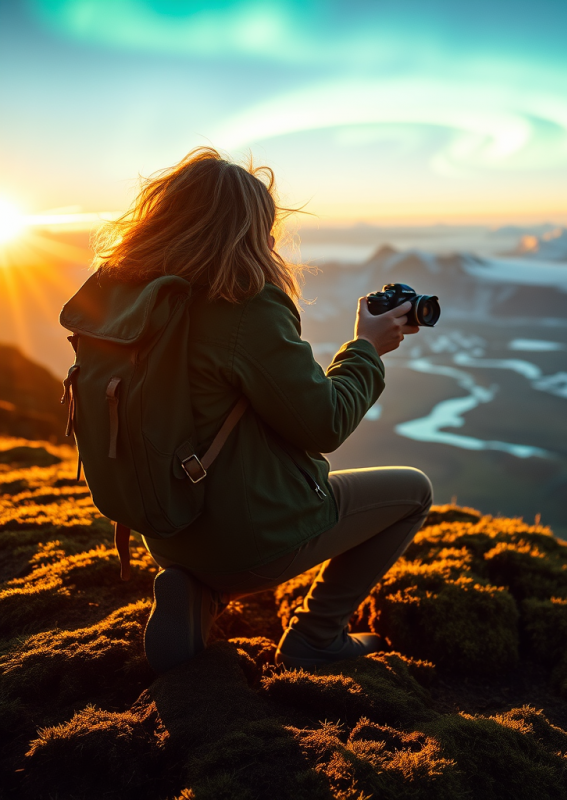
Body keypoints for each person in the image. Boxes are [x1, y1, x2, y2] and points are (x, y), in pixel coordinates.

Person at [91, 147, 433, 672]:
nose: (271, 241)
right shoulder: (244, 304)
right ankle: (317, 635)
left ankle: (197, 592)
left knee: (219, 519)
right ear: (244, 233)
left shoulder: (133, 301)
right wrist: (366, 348)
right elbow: (324, 422)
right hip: (251, 543)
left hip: (164, 527)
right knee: (413, 491)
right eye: (265, 228)